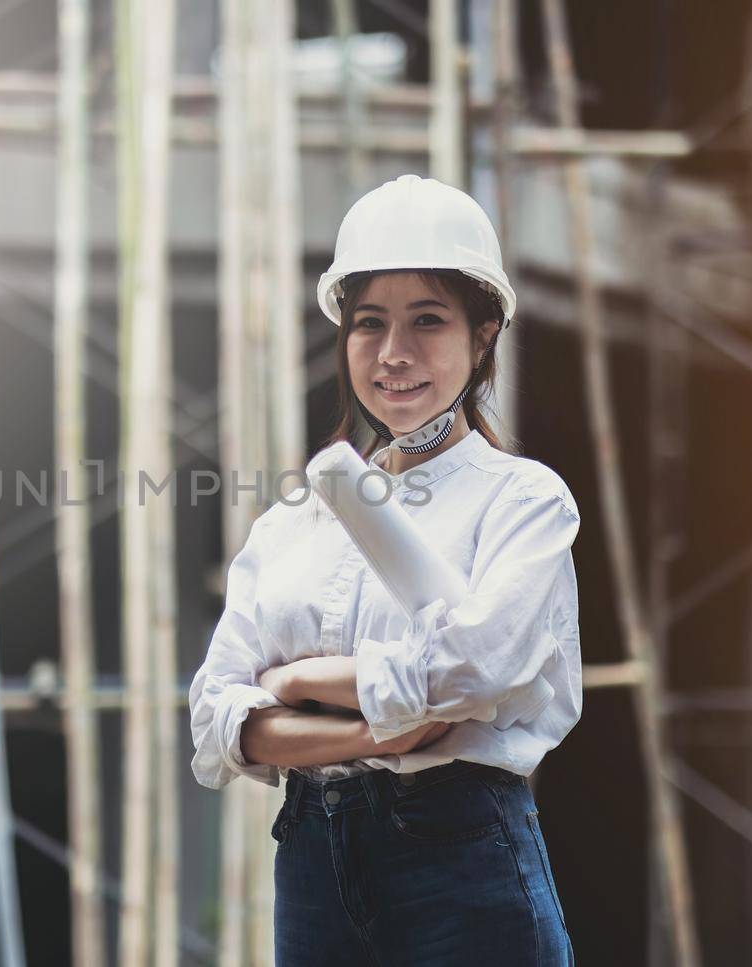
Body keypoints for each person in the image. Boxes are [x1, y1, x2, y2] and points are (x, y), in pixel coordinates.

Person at [188, 174, 580, 966]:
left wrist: (298, 680)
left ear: (484, 332)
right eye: (370, 324)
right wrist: (384, 723)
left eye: (427, 320)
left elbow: (475, 667)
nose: (393, 354)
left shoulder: (525, 500)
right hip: (312, 862)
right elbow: (215, 717)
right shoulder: (296, 519)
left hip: (460, 854)